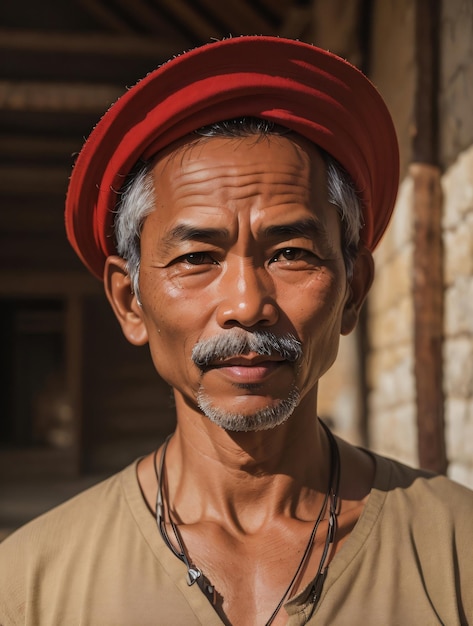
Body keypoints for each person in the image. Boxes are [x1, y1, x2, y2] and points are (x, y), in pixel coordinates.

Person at [0, 35, 472, 626]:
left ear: (353, 289)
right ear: (130, 302)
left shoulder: (457, 554)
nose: (247, 304)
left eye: (291, 253)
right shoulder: (29, 588)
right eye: (197, 259)